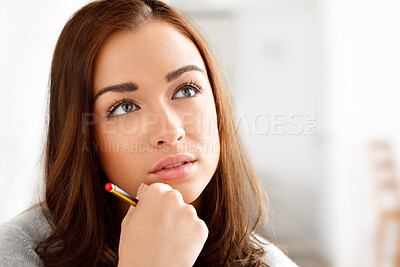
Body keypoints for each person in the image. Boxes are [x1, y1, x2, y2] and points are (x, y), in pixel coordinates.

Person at [0, 0, 299, 266]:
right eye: (125, 107)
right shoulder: (15, 254)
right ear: (86, 143)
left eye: (186, 89)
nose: (170, 131)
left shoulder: (265, 261)